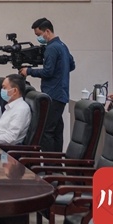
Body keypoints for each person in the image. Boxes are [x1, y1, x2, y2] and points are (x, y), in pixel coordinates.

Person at [20, 17, 75, 152]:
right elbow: (72, 65)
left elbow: (48, 72)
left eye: (39, 34)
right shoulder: (62, 45)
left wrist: (29, 71)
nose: (38, 38)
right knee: (56, 130)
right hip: (61, 93)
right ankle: (57, 160)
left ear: (47, 31)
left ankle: (49, 161)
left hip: (52, 94)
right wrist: (60, 72)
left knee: (46, 131)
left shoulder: (51, 48)